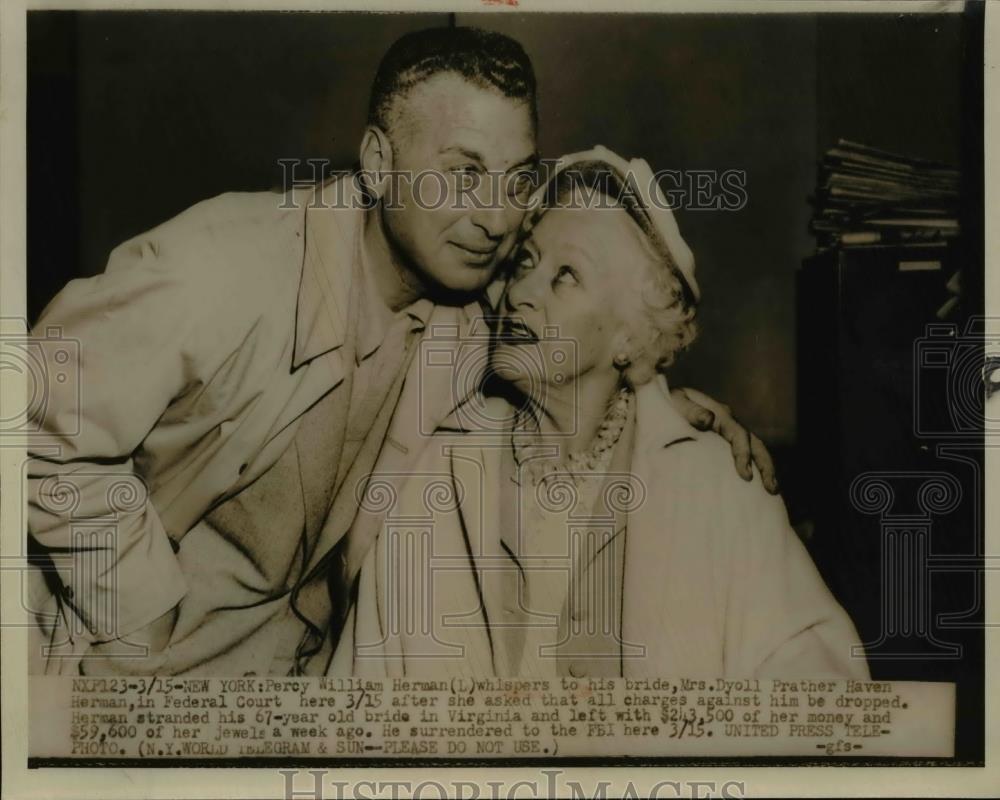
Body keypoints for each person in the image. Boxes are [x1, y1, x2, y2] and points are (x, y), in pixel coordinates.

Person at [26, 28, 773, 677]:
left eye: (516, 181)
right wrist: (137, 616)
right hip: (100, 677)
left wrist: (656, 399)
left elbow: (576, 355)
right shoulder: (219, 268)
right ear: (379, 163)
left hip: (279, 703)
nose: (494, 217)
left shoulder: (472, 304)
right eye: (463, 172)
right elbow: (28, 420)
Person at [333, 150, 869, 679]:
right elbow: (361, 704)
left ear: (629, 337)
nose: (521, 292)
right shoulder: (435, 473)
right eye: (526, 262)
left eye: (566, 275)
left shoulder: (718, 486)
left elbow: (823, 696)